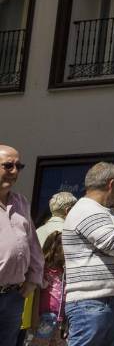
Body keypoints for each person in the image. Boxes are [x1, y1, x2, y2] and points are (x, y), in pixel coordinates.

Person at [62, 162, 114, 346]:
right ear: (112, 183)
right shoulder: (88, 210)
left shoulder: (110, 212)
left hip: (107, 303)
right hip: (91, 304)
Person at [0, 145, 40, 346]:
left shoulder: (21, 202)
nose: (15, 171)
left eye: (19, 166)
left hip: (13, 296)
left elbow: (32, 245)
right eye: (8, 166)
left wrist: (33, 279)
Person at [29, 231, 66, 346]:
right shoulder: (43, 270)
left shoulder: (63, 271)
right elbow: (37, 294)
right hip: (45, 317)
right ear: (55, 250)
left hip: (59, 319)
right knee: (40, 343)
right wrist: (34, 317)